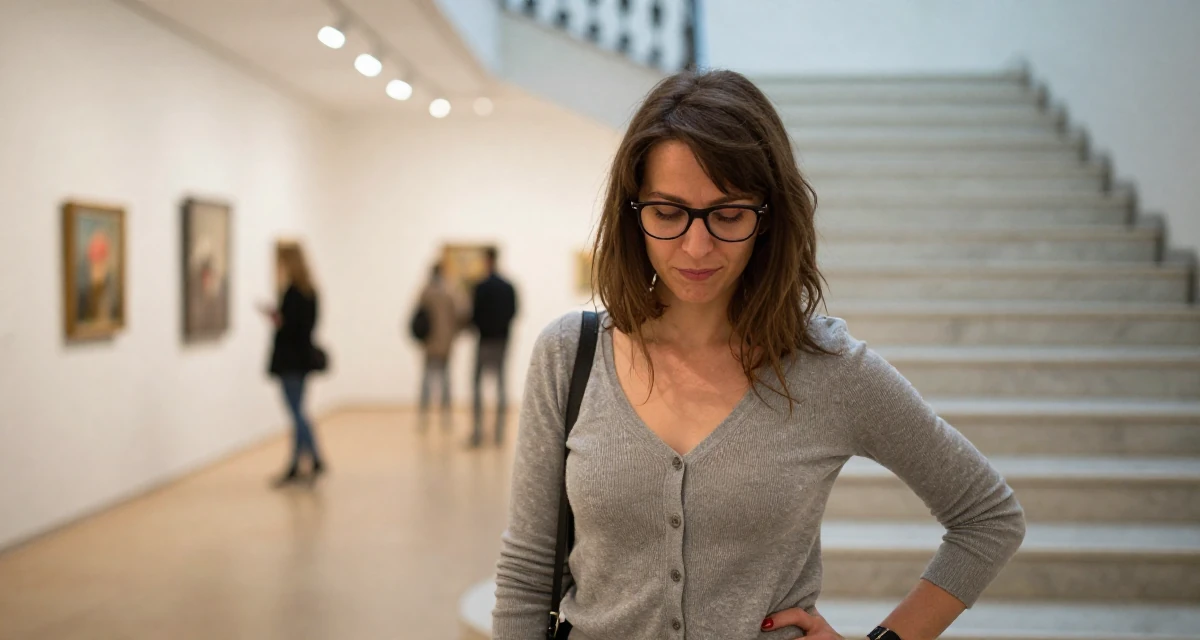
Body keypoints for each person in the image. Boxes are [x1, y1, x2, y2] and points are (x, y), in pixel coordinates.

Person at [492, 70, 1026, 640]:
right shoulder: (570, 355)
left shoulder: (829, 370)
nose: (697, 247)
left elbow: (988, 517)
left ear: (768, 219)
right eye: (668, 213)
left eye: (728, 215)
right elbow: (527, 573)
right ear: (633, 213)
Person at [263, 242, 325, 486]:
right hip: (303, 359)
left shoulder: (293, 292)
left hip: (291, 360)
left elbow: (292, 328)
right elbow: (309, 326)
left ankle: (299, 464)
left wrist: (279, 320)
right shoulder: (311, 291)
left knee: (296, 413)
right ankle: (312, 459)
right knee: (299, 411)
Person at [470, 247, 518, 447]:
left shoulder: (480, 287)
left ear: (487, 260)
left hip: (485, 340)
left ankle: (479, 431)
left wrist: (482, 327)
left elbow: (474, 314)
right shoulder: (508, 287)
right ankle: (498, 433)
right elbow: (514, 312)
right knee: (500, 386)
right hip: (502, 340)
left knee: (477, 385)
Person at [417, 262, 464, 427]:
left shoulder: (425, 292)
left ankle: (423, 416)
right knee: (445, 379)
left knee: (426, 379)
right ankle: (446, 416)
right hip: (445, 342)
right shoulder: (449, 292)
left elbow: (418, 315)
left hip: (429, 342)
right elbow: (459, 314)